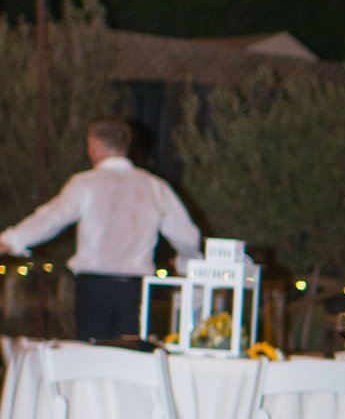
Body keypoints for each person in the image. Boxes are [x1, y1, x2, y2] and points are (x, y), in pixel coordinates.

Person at [1, 119, 202, 344]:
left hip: (93, 289)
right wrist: (188, 262)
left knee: (92, 359)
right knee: (129, 358)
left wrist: (10, 240)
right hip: (134, 292)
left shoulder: (86, 184)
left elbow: (51, 218)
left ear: (95, 145)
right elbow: (187, 236)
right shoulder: (154, 186)